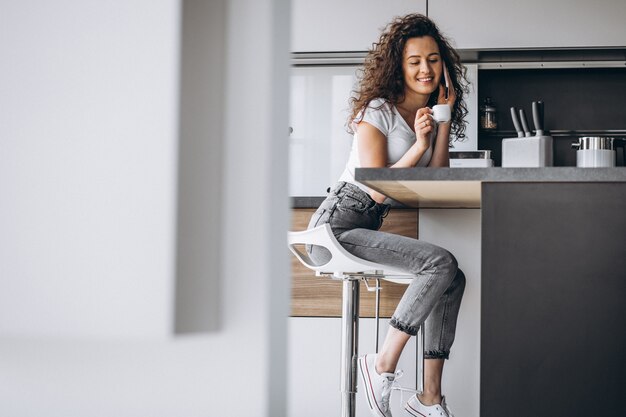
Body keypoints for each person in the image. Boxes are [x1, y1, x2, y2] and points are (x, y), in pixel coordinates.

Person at [306, 13, 469, 417]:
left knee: (452, 278)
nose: (425, 69)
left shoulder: (429, 115)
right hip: (336, 225)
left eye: (433, 60)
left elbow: (436, 180)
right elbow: (377, 182)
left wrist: (442, 122)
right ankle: (380, 365)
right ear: (399, 65)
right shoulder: (377, 110)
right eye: (414, 60)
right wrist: (418, 144)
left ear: (444, 66)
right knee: (439, 263)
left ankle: (429, 398)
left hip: (364, 224)